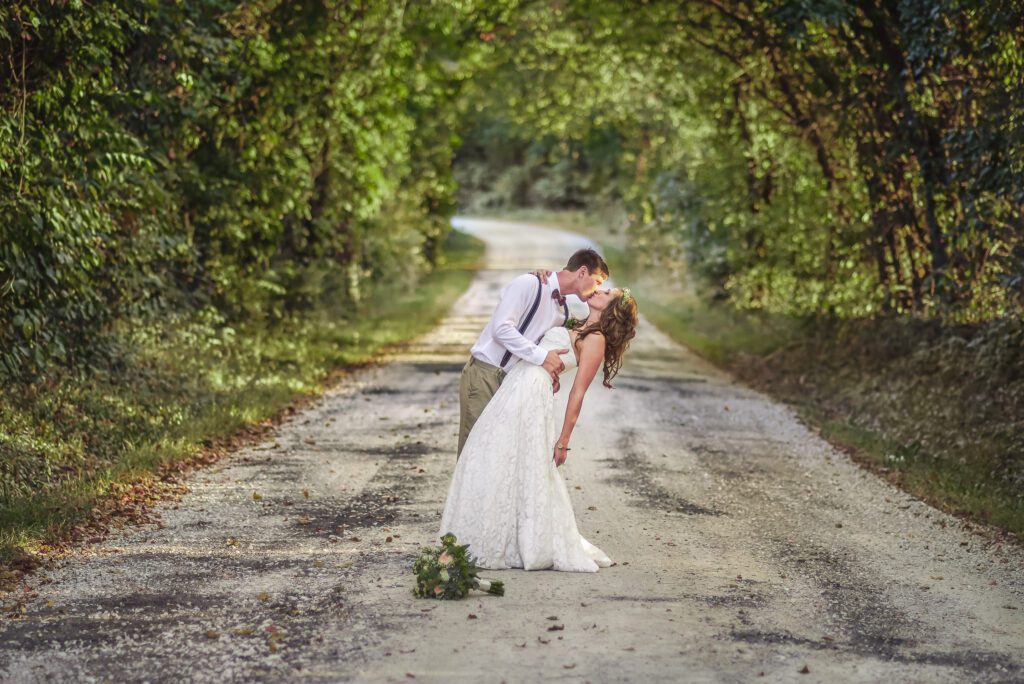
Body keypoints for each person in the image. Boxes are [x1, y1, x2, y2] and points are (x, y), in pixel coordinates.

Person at [440, 285, 639, 572]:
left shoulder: (595, 339)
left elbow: (578, 393)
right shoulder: (576, 324)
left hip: (532, 394)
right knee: (493, 454)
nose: (599, 290)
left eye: (607, 292)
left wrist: (563, 440)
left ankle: (519, 539)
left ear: (613, 309)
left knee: (519, 462)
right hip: (516, 385)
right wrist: (540, 276)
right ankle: (488, 530)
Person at [457, 249, 610, 460]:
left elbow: (558, 342)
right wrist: (542, 357)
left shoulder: (563, 311)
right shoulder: (529, 284)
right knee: (473, 457)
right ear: (583, 272)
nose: (598, 290)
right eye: (598, 282)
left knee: (497, 459)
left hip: (514, 388)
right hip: (486, 375)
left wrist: (549, 372)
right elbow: (501, 329)